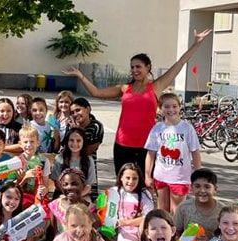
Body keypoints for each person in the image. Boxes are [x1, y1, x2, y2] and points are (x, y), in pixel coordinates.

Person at [63, 29, 213, 173]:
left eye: (138, 66)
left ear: (148, 67)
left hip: (147, 145)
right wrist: (81, 76)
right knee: (123, 184)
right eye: (132, 67)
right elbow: (96, 92)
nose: (134, 70)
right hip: (122, 144)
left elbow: (180, 63)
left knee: (145, 186)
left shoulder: (156, 86)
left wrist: (196, 44)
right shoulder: (124, 88)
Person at [144, 93, 201, 213]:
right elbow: (151, 154)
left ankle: (176, 232)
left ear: (179, 107)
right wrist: (147, 175)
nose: (171, 110)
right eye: (167, 106)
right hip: (161, 176)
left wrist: (198, 175)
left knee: (177, 212)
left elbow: (195, 152)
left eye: (174, 106)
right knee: (162, 211)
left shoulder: (187, 128)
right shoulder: (157, 128)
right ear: (161, 109)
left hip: (180, 177)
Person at [174, 168, 225, 241]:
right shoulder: (184, 207)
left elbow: (229, 237)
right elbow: (175, 231)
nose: (202, 191)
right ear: (191, 189)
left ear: (215, 189)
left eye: (207, 187)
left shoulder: (223, 210)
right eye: (197, 186)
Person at [105, 163, 154, 241]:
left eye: (134, 178)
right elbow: (107, 211)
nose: (131, 181)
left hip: (137, 229)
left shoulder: (144, 195)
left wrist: (126, 222)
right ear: (121, 177)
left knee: (147, 221)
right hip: (122, 230)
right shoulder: (115, 191)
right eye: (127, 178)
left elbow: (148, 217)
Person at [51, 128, 96, 194]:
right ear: (67, 141)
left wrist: (79, 196)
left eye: (78, 141)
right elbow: (57, 183)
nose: (75, 144)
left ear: (83, 142)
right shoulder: (60, 158)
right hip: (62, 194)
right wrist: (67, 195)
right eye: (71, 140)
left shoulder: (89, 160)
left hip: (82, 195)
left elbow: (88, 185)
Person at [48, 168, 92, 234]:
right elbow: (52, 233)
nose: (69, 187)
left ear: (83, 185)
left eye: (74, 184)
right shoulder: (55, 206)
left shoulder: (91, 209)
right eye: (65, 184)